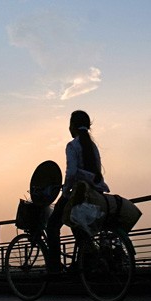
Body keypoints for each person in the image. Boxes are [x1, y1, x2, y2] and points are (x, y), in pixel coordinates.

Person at [46, 110, 110, 273]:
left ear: (72, 126)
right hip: (96, 192)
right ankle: (83, 261)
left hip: (80, 191)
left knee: (53, 225)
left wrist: (65, 191)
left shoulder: (72, 145)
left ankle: (54, 267)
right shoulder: (92, 146)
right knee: (77, 223)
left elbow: (72, 172)